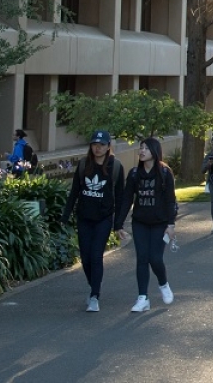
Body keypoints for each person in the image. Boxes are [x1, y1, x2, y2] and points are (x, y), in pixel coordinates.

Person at [62, 131, 126, 312]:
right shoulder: (83, 165)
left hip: (104, 218)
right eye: (94, 144)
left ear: (108, 146)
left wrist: (118, 223)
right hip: (84, 217)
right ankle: (93, 284)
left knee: (96, 255)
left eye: (101, 145)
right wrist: (65, 216)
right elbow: (74, 191)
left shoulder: (116, 167)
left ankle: (94, 295)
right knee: (86, 258)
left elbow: (120, 196)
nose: (97, 148)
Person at [116, 137, 178, 313]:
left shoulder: (165, 173)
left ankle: (163, 284)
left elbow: (170, 200)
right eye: (140, 148)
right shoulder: (135, 174)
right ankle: (142, 298)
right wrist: (119, 224)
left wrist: (171, 224)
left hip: (160, 223)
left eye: (146, 148)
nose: (142, 151)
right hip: (140, 222)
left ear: (155, 151)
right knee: (142, 258)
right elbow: (127, 199)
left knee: (155, 258)